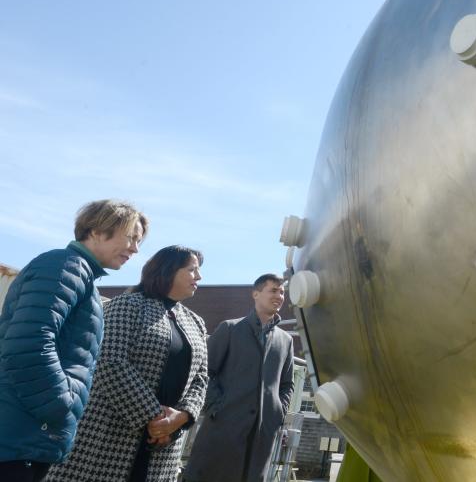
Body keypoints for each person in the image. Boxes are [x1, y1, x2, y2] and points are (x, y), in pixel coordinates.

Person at [0, 199, 148, 482]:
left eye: (138, 241)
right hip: (20, 434)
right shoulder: (64, 265)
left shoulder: (80, 275)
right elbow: (28, 342)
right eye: (130, 237)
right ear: (95, 230)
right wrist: (60, 406)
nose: (135, 249)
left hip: (29, 435)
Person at [46, 245, 208, 482]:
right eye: (192, 269)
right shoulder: (128, 305)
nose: (199, 276)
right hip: (109, 434)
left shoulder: (196, 323)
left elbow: (202, 378)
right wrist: (154, 418)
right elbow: (110, 361)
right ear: (168, 270)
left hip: (164, 446)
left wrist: (181, 417)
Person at [184, 273, 294, 482]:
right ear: (255, 294)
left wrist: (277, 412)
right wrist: (216, 406)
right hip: (223, 428)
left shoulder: (285, 340)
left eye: (282, 292)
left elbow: (287, 384)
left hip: (263, 433)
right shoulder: (230, 328)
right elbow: (204, 371)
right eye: (273, 290)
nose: (279, 296)